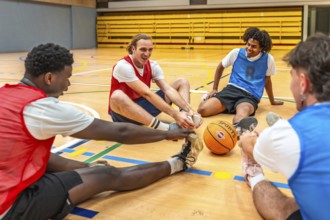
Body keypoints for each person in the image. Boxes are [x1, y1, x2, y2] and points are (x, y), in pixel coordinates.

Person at [0, 43, 204, 220]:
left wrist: (86, 165)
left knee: (86, 168)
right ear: (50, 78)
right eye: (67, 78)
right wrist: (168, 132)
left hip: (9, 178)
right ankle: (178, 164)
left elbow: (40, 158)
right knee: (106, 175)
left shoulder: (5, 94)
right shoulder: (40, 108)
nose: (69, 84)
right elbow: (120, 133)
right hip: (10, 207)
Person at [238, 33, 330, 220]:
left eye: (292, 77)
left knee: (285, 207)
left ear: (303, 83)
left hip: (279, 138)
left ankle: (253, 175)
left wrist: (250, 139)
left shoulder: (294, 134)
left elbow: (249, 144)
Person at [197, 27, 283, 134]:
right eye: (248, 44)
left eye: (254, 46)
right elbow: (220, 67)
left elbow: (267, 81)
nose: (249, 48)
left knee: (241, 116)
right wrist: (214, 89)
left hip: (250, 96)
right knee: (202, 111)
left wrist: (272, 101)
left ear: (261, 48)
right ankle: (219, 102)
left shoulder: (268, 59)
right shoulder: (236, 53)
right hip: (231, 90)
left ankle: (238, 130)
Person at [108, 33, 202, 131]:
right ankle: (167, 129)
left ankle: (187, 118)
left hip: (144, 108)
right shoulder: (123, 66)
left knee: (182, 82)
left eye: (150, 49)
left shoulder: (152, 65)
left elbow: (167, 89)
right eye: (143, 49)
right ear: (133, 49)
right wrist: (175, 115)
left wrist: (190, 110)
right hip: (123, 114)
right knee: (117, 96)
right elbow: (147, 93)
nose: (147, 53)